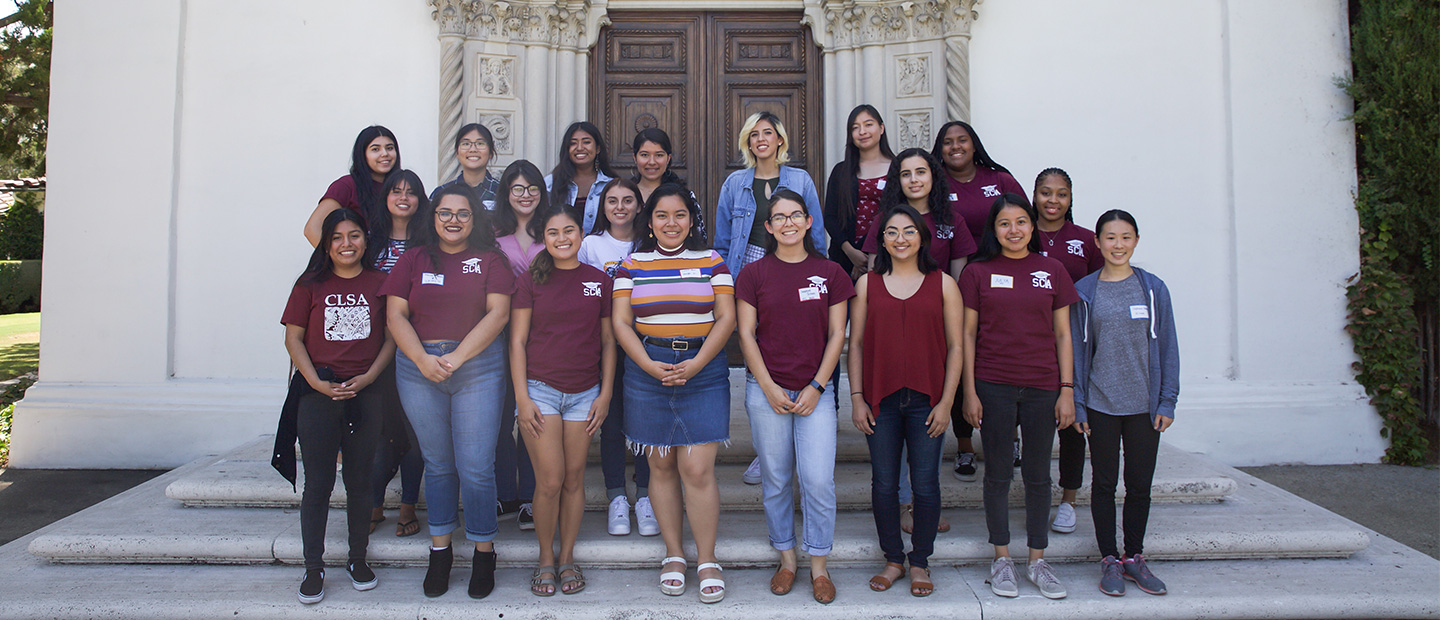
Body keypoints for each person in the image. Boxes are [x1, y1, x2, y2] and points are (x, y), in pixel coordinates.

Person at [380, 185, 515, 599]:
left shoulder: (491, 260)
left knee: (476, 465)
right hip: (418, 367)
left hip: (478, 366)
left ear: (475, 218)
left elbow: (499, 314)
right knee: (438, 464)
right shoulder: (413, 258)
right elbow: (395, 315)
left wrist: (455, 358)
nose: (453, 220)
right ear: (433, 217)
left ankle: (482, 550)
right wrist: (422, 359)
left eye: (462, 213)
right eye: (444, 213)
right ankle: (440, 551)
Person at [612, 184, 735, 604]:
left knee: (697, 469)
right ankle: (673, 554)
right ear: (650, 221)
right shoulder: (631, 264)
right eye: (662, 215)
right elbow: (621, 322)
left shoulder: (712, 261)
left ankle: (707, 558)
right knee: (661, 466)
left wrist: (697, 364)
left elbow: (726, 317)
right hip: (648, 371)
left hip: (703, 369)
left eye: (679, 215)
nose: (671, 223)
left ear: (691, 219)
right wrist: (648, 365)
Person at [736, 190, 853, 604]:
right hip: (765, 390)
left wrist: (818, 386)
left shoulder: (831, 273)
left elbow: (838, 334)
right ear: (768, 227)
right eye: (778, 217)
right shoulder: (753, 274)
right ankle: (787, 560)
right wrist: (767, 386)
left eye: (795, 215)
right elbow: (746, 334)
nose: (787, 223)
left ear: (808, 222)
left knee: (819, 481)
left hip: (815, 393)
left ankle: (819, 565)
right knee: (776, 481)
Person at [958, 193, 1078, 600]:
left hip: (1044, 386)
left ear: (1032, 226)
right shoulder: (977, 273)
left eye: (1021, 222)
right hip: (993, 385)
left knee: (1039, 476)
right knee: (997, 474)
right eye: (1005, 223)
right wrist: (969, 391)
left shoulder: (1053, 270)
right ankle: (1002, 558)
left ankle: (1037, 560)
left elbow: (1063, 334)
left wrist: (1066, 390)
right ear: (993, 229)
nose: (1014, 230)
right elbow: (968, 335)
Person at [280, 209, 394, 604]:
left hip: (366, 393)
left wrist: (368, 378)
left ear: (365, 240)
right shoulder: (310, 285)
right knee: (319, 484)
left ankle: (357, 559)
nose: (347, 244)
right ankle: (314, 567)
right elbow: (293, 339)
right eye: (337, 238)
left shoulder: (381, 283)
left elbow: (391, 341)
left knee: (360, 482)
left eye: (354, 236)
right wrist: (316, 382)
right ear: (327, 245)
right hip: (317, 396)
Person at [849, 204, 963, 599]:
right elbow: (857, 344)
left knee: (926, 485)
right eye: (892, 232)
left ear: (922, 238)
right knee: (883, 484)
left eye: (908, 231)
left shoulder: (944, 283)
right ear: (881, 240)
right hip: (881, 399)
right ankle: (893, 559)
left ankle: (920, 562)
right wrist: (858, 398)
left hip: (926, 401)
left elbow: (956, 347)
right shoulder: (868, 284)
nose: (900, 238)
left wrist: (947, 402)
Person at [1071, 209, 1179, 597]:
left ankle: (1134, 556)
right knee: (1103, 484)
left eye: (1126, 237)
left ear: (1135, 241)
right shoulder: (1084, 291)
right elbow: (1078, 355)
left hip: (1144, 407)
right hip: (1101, 404)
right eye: (1110, 238)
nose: (1118, 245)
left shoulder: (1153, 289)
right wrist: (1079, 405)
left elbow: (1168, 348)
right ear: (1097, 242)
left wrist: (1168, 400)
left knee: (1139, 485)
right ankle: (1109, 560)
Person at [511, 207, 617, 596]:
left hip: (585, 393)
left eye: (568, 230)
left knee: (574, 479)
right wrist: (522, 397)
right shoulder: (530, 280)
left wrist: (604, 395)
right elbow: (518, 341)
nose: (561, 238)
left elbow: (608, 342)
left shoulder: (598, 281)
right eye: (553, 232)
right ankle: (544, 558)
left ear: (581, 233)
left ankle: (567, 557)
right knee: (551, 479)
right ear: (545, 238)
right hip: (540, 390)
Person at [930, 121, 1024, 480]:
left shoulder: (999, 179)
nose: (955, 147)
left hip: (1001, 281)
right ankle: (966, 446)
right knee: (958, 360)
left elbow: (1021, 220)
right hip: (956, 283)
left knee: (1000, 361)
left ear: (974, 145)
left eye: (962, 140)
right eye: (948, 142)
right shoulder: (937, 183)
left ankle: (1009, 437)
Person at [578, 178, 658, 537]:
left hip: (645, 343)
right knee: (610, 423)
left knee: (642, 421)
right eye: (613, 201)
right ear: (603, 207)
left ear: (639, 206)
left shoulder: (649, 245)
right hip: (603, 344)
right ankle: (615, 496)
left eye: (628, 200)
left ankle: (645, 495)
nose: (621, 207)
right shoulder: (591, 245)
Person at [1030, 167, 1103, 535]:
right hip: (1029, 343)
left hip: (1075, 341)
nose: (1052, 201)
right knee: (1033, 424)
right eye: (1045, 193)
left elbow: (1101, 292)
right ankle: (1036, 495)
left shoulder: (1086, 240)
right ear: (1035, 195)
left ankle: (1069, 499)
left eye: (1060, 194)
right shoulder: (1020, 233)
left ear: (1070, 199)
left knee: (1072, 422)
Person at [368, 170, 429, 539]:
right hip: (374, 347)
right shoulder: (371, 241)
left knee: (415, 429)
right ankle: (374, 502)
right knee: (377, 430)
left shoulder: (428, 243)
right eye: (396, 191)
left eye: (411, 192)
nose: (403, 198)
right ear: (386, 198)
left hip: (417, 347)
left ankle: (408, 503)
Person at [493, 160, 549, 531]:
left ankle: (531, 496)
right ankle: (503, 492)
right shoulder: (492, 234)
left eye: (532, 189)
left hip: (545, 335)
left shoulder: (553, 231)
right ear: (506, 194)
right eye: (518, 189)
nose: (525, 196)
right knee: (499, 413)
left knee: (534, 415)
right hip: (500, 332)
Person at [714, 111, 826, 276]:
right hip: (746, 267)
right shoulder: (734, 183)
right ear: (749, 143)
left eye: (767, 132)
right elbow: (722, 242)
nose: (761, 139)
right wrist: (723, 282)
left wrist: (819, 270)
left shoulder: (801, 180)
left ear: (780, 140)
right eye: (754, 134)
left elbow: (816, 235)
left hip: (792, 262)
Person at [823, 104, 895, 280]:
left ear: (882, 128)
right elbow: (830, 217)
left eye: (868, 124)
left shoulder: (898, 168)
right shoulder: (840, 171)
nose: (862, 131)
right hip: (844, 260)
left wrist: (868, 255)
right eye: (855, 127)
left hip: (889, 257)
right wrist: (851, 252)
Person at [304, 125, 400, 246]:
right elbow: (312, 229)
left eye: (390, 148)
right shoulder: (347, 186)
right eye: (375, 149)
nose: (385, 154)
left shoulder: (403, 189)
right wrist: (337, 261)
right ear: (363, 154)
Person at [630, 127, 705, 239]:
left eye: (659, 155)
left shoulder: (684, 196)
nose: (651, 162)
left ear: (668, 158)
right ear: (635, 158)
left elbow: (699, 238)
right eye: (645, 155)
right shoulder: (625, 196)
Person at [545, 121, 618, 234]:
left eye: (586, 142)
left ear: (598, 148)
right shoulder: (551, 183)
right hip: (562, 247)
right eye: (573, 143)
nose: (579, 148)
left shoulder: (611, 185)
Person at [431, 123, 501, 209]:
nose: (473, 149)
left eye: (480, 143)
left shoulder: (502, 192)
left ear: (491, 152)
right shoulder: (441, 193)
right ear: (457, 153)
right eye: (466, 144)